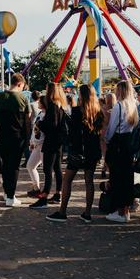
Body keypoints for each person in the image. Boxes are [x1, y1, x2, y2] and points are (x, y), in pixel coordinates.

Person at [47, 84, 104, 222]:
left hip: (77, 151)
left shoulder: (77, 111)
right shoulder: (98, 113)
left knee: (67, 181)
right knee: (89, 182)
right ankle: (87, 213)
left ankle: (62, 211)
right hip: (92, 152)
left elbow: (72, 133)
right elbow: (100, 135)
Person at [0, 73, 31, 207]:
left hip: (2, 135)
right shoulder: (23, 98)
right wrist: (28, 138)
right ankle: (11, 197)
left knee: (5, 165)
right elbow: (27, 120)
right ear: (20, 84)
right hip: (18, 137)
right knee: (14, 167)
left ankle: (7, 193)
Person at [104, 81, 138, 223]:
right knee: (127, 177)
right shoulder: (133, 105)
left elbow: (112, 127)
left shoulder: (119, 106)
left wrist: (106, 139)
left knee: (117, 177)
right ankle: (126, 211)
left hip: (118, 143)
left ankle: (120, 211)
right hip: (128, 143)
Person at [29, 83, 67, 209]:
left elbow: (51, 126)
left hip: (51, 141)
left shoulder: (53, 106)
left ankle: (44, 197)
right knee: (56, 168)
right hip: (58, 142)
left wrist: (40, 124)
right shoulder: (61, 105)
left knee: (47, 169)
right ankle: (57, 194)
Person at [25, 97, 46, 198]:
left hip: (42, 145)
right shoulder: (40, 113)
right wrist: (32, 142)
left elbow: (42, 132)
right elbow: (35, 129)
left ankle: (45, 192)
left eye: (40, 102)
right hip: (36, 145)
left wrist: (36, 142)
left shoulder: (46, 115)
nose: (38, 103)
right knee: (30, 165)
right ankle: (36, 188)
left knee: (46, 169)